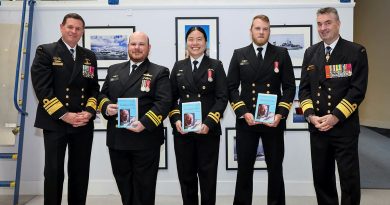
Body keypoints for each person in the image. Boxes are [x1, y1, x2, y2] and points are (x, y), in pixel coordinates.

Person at [299, 7, 368, 205]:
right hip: (318, 127)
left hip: (343, 127)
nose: (323, 28)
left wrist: (335, 116)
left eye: (327, 23)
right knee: (322, 179)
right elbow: (304, 90)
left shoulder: (356, 51)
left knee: (349, 179)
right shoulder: (310, 53)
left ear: (338, 23)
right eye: (319, 24)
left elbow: (357, 91)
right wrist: (311, 115)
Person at [30, 13, 99, 205]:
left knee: (80, 172)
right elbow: (42, 88)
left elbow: (94, 88)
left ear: (82, 31)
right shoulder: (46, 51)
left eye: (78, 28)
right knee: (53, 172)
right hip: (55, 122)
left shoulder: (89, 56)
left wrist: (90, 111)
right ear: (61, 27)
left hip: (82, 123)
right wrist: (64, 115)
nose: (74, 31)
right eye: (70, 27)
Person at [227, 15, 295, 205]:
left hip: (273, 121)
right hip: (246, 121)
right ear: (251, 30)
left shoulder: (281, 54)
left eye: (265, 29)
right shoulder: (239, 54)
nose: (261, 32)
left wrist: (280, 114)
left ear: (269, 31)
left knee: (275, 169)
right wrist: (243, 112)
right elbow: (231, 87)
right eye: (257, 28)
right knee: (244, 170)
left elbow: (289, 87)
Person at [98, 31, 171, 205]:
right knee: (124, 184)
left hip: (145, 138)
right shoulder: (114, 69)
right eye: (133, 44)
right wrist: (107, 106)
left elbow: (164, 102)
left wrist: (144, 123)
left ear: (148, 48)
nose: (137, 48)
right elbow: (102, 95)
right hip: (117, 138)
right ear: (127, 46)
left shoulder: (159, 71)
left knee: (144, 187)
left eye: (141, 44)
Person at [169, 26, 228, 205]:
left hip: (207, 130)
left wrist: (209, 122)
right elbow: (170, 98)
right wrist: (176, 120)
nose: (195, 43)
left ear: (205, 42)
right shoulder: (178, 66)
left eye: (199, 39)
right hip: (183, 132)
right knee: (186, 176)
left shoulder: (216, 65)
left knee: (207, 176)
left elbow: (222, 97)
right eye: (191, 39)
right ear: (186, 43)